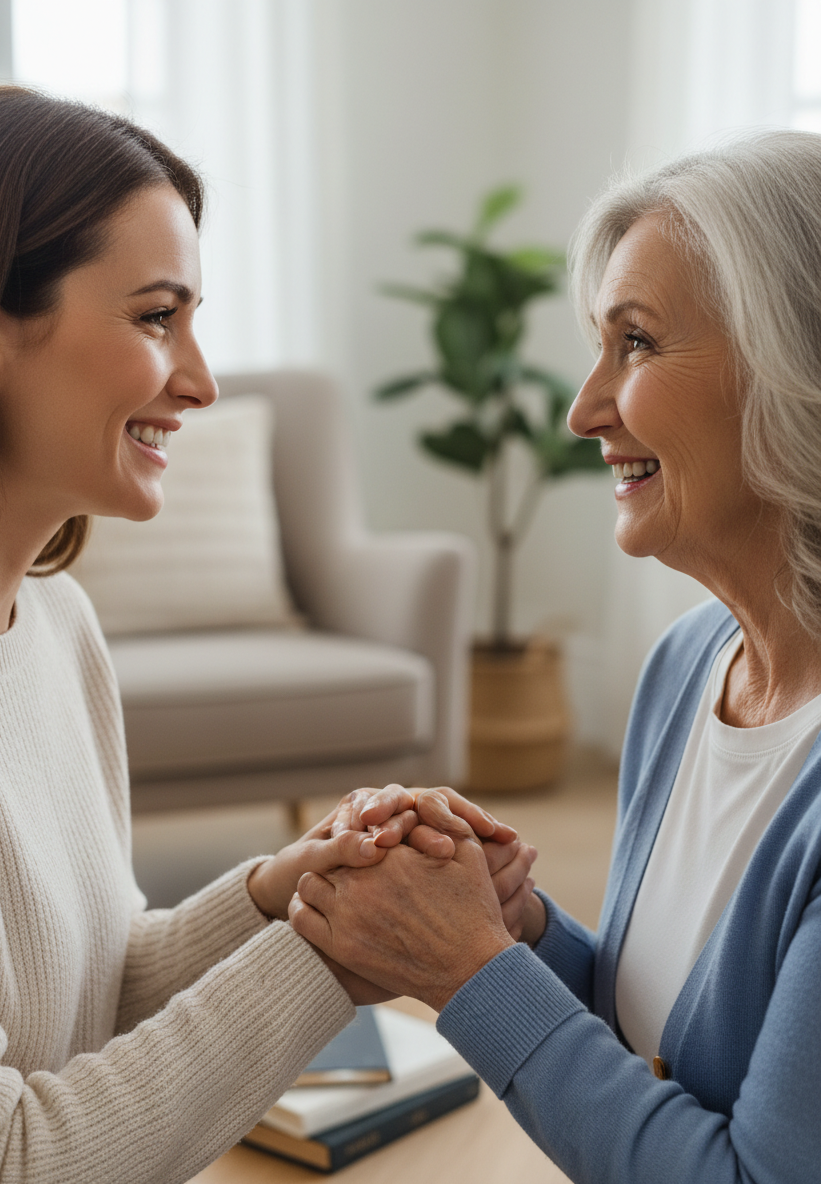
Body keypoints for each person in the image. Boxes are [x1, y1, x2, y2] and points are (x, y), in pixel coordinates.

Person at [0, 86, 536, 1183]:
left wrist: (284, 887)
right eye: (154, 316)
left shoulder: (59, 630)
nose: (203, 379)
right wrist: (337, 946)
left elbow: (97, 982)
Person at [289, 129, 821, 1183]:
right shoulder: (686, 667)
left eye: (636, 343)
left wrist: (469, 967)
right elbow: (661, 1040)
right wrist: (517, 925)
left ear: (791, 364)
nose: (584, 409)